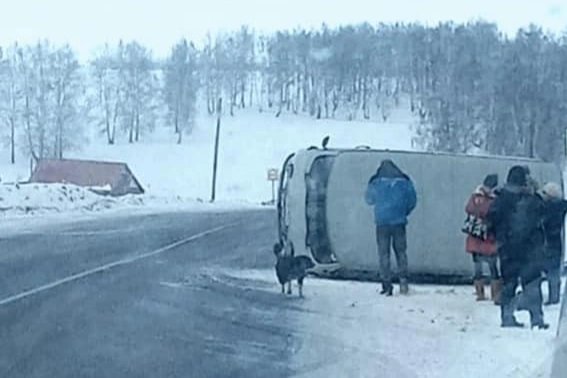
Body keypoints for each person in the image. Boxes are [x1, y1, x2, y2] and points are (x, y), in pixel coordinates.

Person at [486, 165, 548, 329]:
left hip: (507, 248)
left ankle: (507, 317)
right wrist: (536, 190)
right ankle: (537, 318)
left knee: (509, 283)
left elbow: (490, 220)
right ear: (523, 180)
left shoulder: (500, 198)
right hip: (530, 249)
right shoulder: (531, 198)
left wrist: (500, 237)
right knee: (532, 283)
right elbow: (543, 213)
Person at [365, 159, 417, 296]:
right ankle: (404, 282)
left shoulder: (376, 182)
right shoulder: (404, 181)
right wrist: (404, 211)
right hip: (399, 223)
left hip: (382, 223)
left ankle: (386, 285)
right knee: (401, 253)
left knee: (384, 254)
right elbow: (412, 200)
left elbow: (369, 200)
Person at [463, 174, 501, 303]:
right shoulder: (493, 198)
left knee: (484, 265)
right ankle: (491, 293)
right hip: (486, 236)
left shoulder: (476, 196)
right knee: (488, 265)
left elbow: (468, 209)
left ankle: (484, 293)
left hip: (478, 236)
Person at [539, 182, 567, 305]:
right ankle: (554, 295)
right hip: (556, 242)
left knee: (545, 269)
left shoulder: (543, 207)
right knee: (554, 271)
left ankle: (551, 297)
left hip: (544, 242)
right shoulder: (561, 207)